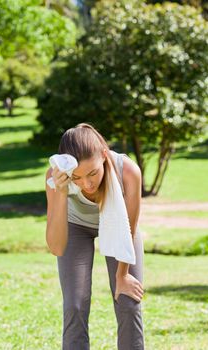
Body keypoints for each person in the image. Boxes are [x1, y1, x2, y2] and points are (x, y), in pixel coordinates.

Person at [45, 123, 144, 350]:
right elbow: (57, 247)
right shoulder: (56, 178)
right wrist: (61, 194)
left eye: (93, 173)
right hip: (76, 226)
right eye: (76, 178)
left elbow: (129, 228)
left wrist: (122, 275)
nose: (86, 184)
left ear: (104, 155)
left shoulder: (128, 171)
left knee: (128, 301)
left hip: (121, 227)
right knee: (75, 304)